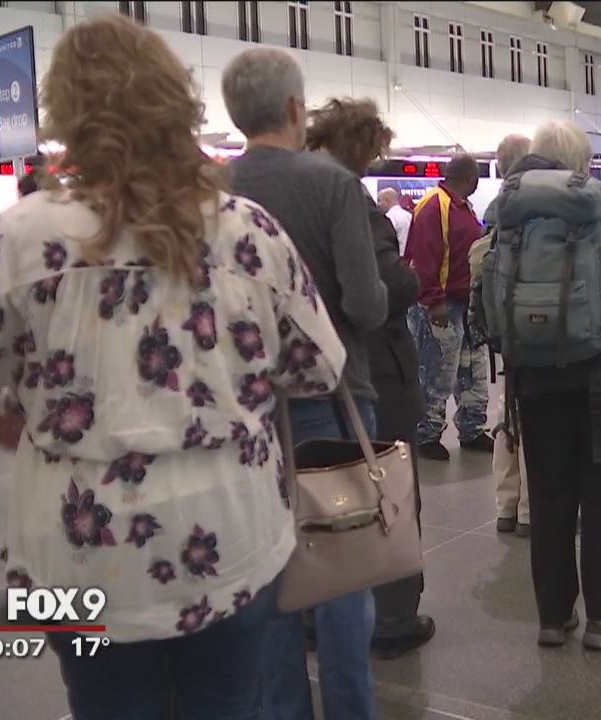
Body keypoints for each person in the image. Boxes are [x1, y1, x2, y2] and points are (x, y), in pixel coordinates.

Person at [0, 15, 348, 717]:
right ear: (176, 101)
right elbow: (317, 367)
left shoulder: (21, 236)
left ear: (68, 112)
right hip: (228, 536)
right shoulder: (247, 231)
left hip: (82, 552)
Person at [221, 47, 388, 720]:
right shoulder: (330, 183)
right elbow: (367, 303)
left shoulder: (214, 191)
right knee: (344, 579)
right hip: (332, 402)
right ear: (296, 109)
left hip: (246, 412)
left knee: (265, 577)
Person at [499, 121, 601, 650]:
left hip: (535, 370)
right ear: (582, 162)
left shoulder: (509, 213)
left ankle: (553, 616)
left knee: (548, 494)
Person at [304, 98, 435, 660]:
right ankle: (394, 618)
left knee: (312, 491)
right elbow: (382, 291)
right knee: (388, 492)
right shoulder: (352, 200)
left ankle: (315, 610)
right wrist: (409, 277)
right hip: (374, 368)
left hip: (304, 365)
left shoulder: (281, 193)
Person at [406, 154, 494, 460]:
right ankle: (426, 434)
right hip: (441, 305)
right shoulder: (435, 205)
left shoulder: (462, 207)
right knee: (437, 372)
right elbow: (423, 256)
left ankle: (472, 428)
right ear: (472, 178)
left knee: (472, 370)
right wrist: (433, 300)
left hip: (466, 304)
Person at [480, 134, 534, 537]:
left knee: (505, 416)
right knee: (534, 420)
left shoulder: (495, 210)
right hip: (536, 323)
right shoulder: (539, 204)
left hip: (502, 326)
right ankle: (532, 509)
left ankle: (505, 505)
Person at [377, 187, 412, 256]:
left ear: (387, 201)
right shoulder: (409, 216)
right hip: (410, 259)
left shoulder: (388, 218)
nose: (379, 204)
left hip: (396, 258)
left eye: (380, 200)